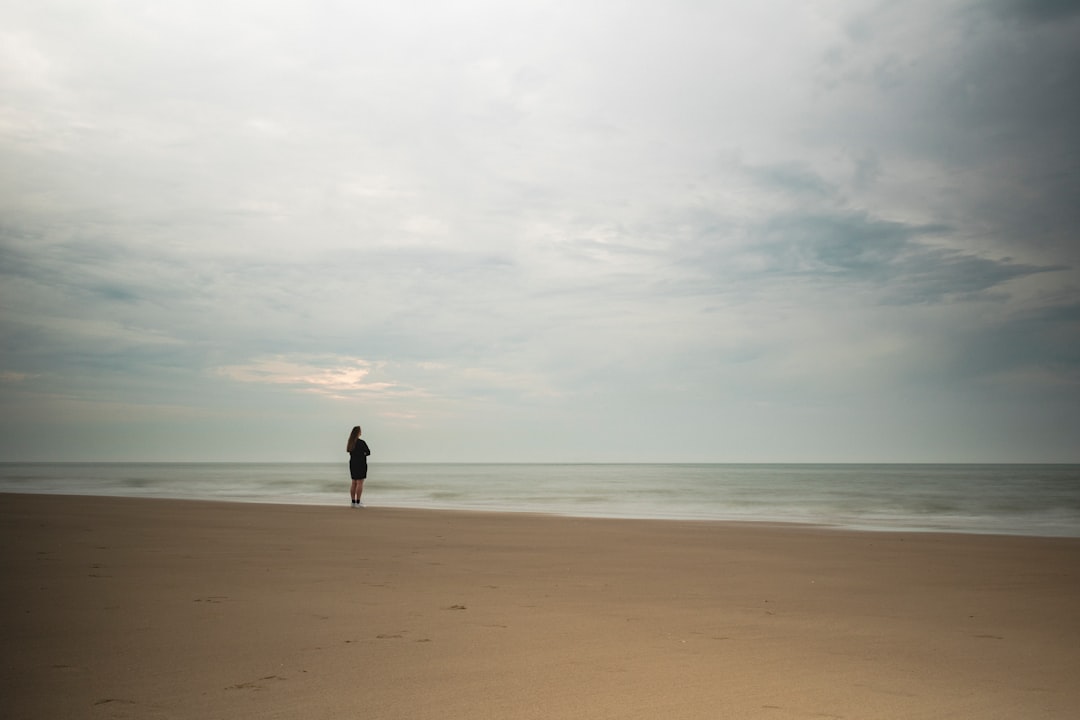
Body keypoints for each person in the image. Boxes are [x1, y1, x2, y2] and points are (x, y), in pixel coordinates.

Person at [346, 425, 371, 508]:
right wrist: (362, 454)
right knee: (360, 482)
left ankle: (353, 502)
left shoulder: (350, 442)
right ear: (358, 432)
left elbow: (349, 451)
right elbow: (368, 452)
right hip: (360, 463)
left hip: (352, 463)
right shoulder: (361, 442)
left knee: (354, 482)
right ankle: (358, 502)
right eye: (360, 431)